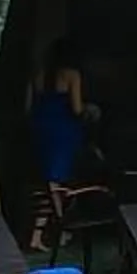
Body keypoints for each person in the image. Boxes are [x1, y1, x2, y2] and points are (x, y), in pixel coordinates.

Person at [24, 46, 95, 251]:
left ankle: (42, 233)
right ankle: (59, 227)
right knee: (56, 182)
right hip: (62, 130)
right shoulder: (71, 75)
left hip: (41, 128)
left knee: (48, 182)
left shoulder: (37, 75)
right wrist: (88, 110)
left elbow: (28, 108)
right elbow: (76, 108)